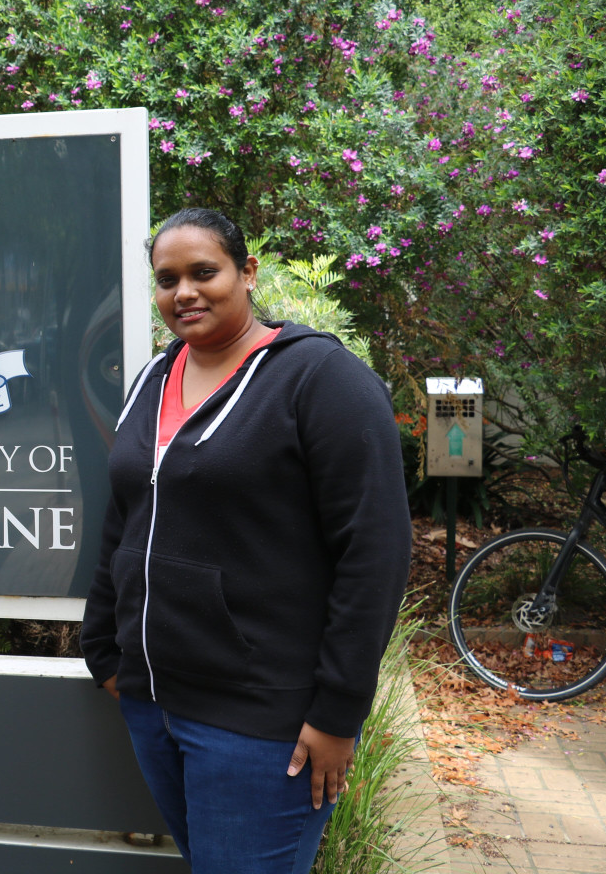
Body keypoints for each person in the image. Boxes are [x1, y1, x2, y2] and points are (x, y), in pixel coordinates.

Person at [80, 208, 410, 874]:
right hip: (153, 704)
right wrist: (104, 647)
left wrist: (338, 714)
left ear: (247, 272)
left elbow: (374, 553)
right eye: (168, 279)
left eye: (205, 272)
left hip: (261, 725)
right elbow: (126, 517)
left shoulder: (318, 379)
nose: (185, 292)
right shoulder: (154, 377)